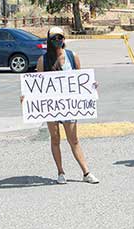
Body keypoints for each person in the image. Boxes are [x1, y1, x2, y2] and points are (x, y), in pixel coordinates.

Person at [35, 26, 99, 185]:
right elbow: (37, 84)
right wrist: (27, 97)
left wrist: (90, 86)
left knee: (74, 139)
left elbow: (80, 78)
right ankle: (60, 172)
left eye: (60, 38)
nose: (57, 41)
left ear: (64, 39)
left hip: (69, 105)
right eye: (54, 38)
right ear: (49, 41)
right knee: (55, 138)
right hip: (51, 106)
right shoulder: (43, 60)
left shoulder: (72, 56)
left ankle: (86, 172)